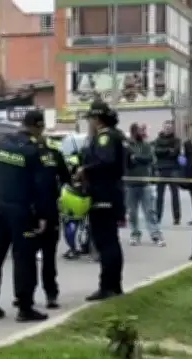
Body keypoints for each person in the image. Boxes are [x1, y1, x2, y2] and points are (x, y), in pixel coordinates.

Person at [0, 109, 50, 322]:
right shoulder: (33, 151)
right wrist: (43, 214)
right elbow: (41, 186)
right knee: (23, 258)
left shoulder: (3, 144)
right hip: (21, 209)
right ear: (38, 127)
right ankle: (25, 308)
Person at [76, 100, 126, 301]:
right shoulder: (112, 135)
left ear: (97, 119)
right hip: (109, 192)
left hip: (104, 193)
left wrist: (84, 170)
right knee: (110, 241)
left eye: (90, 119)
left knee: (105, 242)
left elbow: (105, 161)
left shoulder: (105, 137)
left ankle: (107, 286)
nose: (89, 123)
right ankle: (114, 285)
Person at [36, 127, 72, 309]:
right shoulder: (27, 155)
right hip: (34, 210)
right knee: (31, 256)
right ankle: (28, 294)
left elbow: (66, 179)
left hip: (46, 209)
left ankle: (50, 293)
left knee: (47, 255)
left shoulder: (54, 155)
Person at [126, 122, 162, 245]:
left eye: (142, 131)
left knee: (150, 211)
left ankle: (155, 233)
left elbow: (150, 159)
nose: (141, 133)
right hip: (130, 184)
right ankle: (135, 234)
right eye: (139, 131)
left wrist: (136, 158)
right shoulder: (127, 146)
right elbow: (126, 161)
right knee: (132, 212)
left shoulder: (146, 145)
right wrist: (136, 158)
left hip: (144, 183)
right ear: (133, 132)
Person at [152, 120, 182, 225]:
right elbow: (156, 152)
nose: (168, 129)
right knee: (159, 195)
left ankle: (177, 218)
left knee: (175, 195)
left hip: (173, 169)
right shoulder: (158, 140)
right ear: (163, 128)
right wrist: (168, 150)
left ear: (172, 129)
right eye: (166, 127)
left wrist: (164, 151)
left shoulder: (177, 140)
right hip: (161, 169)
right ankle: (158, 216)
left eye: (169, 128)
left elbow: (175, 152)